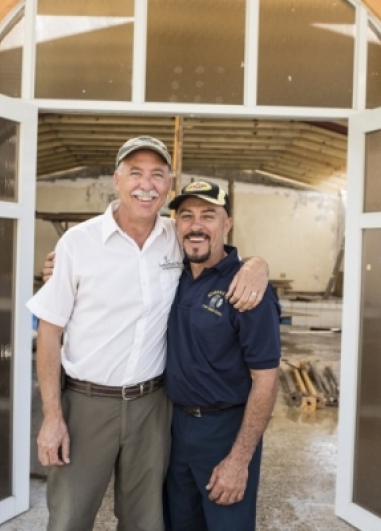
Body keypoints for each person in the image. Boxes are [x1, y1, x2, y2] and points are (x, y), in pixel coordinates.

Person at [26, 136, 269, 531]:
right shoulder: (78, 243)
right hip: (88, 403)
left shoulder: (175, 235)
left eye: (157, 175)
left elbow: (216, 240)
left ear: (168, 185)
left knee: (146, 522)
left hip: (153, 406)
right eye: (135, 172)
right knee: (69, 517)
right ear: (116, 179)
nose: (146, 184)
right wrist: (52, 416)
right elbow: (49, 333)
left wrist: (258, 264)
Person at [163, 181, 281, 531]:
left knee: (227, 523)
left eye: (208, 216)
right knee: (179, 523)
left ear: (227, 223)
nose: (196, 225)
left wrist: (239, 459)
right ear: (176, 224)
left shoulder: (246, 288)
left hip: (224, 428)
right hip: (173, 427)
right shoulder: (171, 274)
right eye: (187, 216)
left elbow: (267, 379)